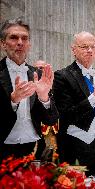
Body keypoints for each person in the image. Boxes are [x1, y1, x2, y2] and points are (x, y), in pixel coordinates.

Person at [53, 31, 95, 175]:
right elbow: (66, 115)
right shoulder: (62, 76)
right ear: (74, 50)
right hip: (75, 145)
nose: (89, 50)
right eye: (84, 46)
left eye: (93, 47)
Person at [0, 18, 58, 161]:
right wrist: (13, 101)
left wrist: (44, 98)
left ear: (29, 44)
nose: (20, 42)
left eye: (24, 38)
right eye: (13, 37)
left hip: (34, 149)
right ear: (3, 44)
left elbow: (51, 120)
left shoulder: (37, 75)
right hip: (3, 151)